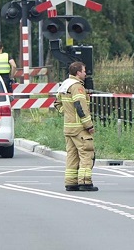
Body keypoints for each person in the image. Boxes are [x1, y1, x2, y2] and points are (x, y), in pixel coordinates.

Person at [53, 61, 98, 192]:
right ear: (78, 72)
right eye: (84, 71)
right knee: (86, 154)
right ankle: (85, 182)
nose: (85, 73)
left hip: (68, 128)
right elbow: (80, 107)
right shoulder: (77, 86)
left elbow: (57, 104)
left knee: (72, 156)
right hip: (79, 128)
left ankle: (71, 182)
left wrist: (67, 114)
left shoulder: (65, 85)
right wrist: (89, 125)